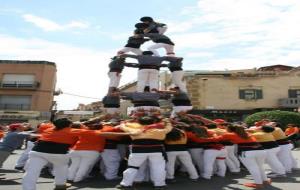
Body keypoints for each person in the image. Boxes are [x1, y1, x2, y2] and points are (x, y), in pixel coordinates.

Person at [22, 118, 82, 190]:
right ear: (69, 125)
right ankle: (60, 185)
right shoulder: (73, 131)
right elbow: (93, 132)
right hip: (58, 153)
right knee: (61, 169)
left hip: (37, 151)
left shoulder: (49, 129)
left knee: (31, 172)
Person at [117, 117, 172, 190]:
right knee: (159, 168)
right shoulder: (159, 130)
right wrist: (167, 122)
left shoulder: (134, 130)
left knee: (132, 167)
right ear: (153, 122)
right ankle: (160, 184)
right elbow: (169, 128)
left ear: (139, 123)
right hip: (156, 151)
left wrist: (123, 122)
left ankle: (125, 184)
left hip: (138, 151)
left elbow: (122, 127)